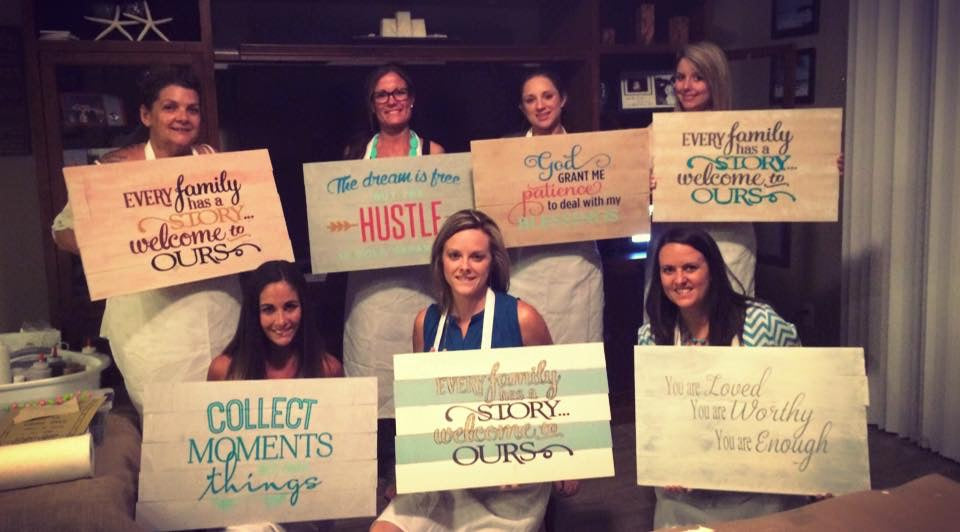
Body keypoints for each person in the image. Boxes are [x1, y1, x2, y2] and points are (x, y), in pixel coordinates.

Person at [51, 65, 241, 415]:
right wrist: (113, 248)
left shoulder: (211, 162)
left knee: (222, 419)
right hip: (151, 329)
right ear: (146, 115)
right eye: (170, 107)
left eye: (192, 109)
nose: (183, 117)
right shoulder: (114, 168)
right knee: (165, 422)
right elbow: (62, 231)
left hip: (218, 319)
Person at [371, 209, 577, 532]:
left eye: (476, 257)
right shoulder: (426, 322)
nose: (464, 266)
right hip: (444, 476)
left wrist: (567, 465)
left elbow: (556, 399)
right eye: (455, 255)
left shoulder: (522, 318)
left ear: (492, 262)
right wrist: (409, 472)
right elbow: (421, 412)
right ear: (441, 261)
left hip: (511, 482)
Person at [638, 226, 804, 527]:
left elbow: (803, 391)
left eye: (690, 268)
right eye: (668, 270)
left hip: (756, 487)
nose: (679, 279)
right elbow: (656, 416)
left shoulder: (760, 323)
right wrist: (665, 463)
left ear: (712, 270)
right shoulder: (653, 335)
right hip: (686, 490)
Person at [650, 41, 758, 296]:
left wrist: (822, 167)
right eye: (680, 78)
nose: (686, 86)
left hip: (728, 244)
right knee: (671, 317)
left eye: (698, 78)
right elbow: (631, 188)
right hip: (674, 245)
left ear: (716, 81)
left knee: (727, 314)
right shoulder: (657, 132)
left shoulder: (745, 133)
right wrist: (645, 186)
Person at [508, 70, 605, 347]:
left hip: (577, 272)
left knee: (580, 358)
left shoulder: (589, 151)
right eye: (531, 100)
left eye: (547, 96)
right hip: (526, 273)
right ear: (522, 108)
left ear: (562, 100)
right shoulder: (506, 153)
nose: (540, 106)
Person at [208, 260, 342, 381]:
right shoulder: (223, 370)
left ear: (304, 307)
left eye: (290, 307)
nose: (281, 321)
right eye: (268, 309)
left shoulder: (329, 370)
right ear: (253, 313)